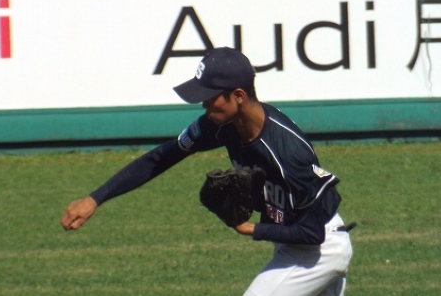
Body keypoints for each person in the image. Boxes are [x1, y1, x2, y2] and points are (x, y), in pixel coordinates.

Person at [61, 46, 353, 295]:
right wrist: (95, 198)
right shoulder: (220, 125)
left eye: (211, 96)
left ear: (238, 96)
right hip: (296, 242)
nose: (203, 103)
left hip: (318, 250)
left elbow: (312, 233)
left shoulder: (287, 151)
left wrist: (248, 228)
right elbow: (162, 157)